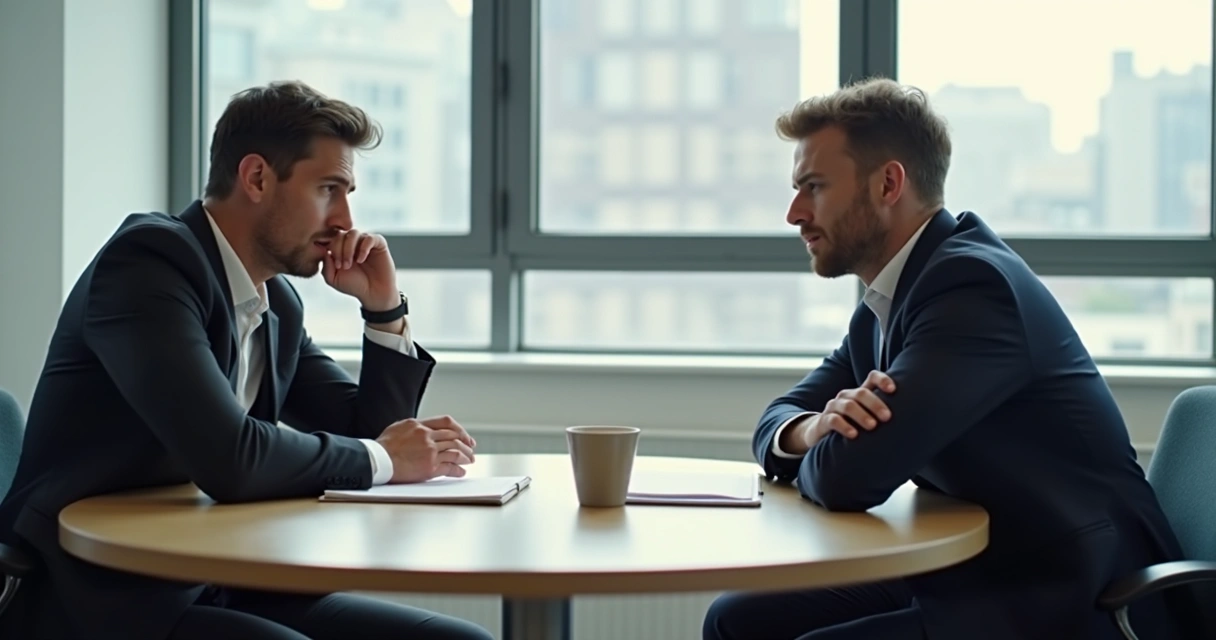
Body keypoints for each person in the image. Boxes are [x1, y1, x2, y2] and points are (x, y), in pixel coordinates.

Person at [701, 78, 1201, 640]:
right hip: (977, 571)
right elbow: (779, 420)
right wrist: (813, 428)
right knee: (737, 619)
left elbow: (849, 477)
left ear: (888, 183)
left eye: (813, 187)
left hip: (1072, 593)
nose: (794, 213)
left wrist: (827, 449)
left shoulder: (972, 288)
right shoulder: (887, 303)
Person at [0, 81, 494, 640]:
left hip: (213, 574)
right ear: (257, 177)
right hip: (98, 598)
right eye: (328, 189)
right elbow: (231, 458)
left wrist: (383, 310)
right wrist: (384, 457)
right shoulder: (147, 266)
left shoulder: (275, 302)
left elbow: (370, 434)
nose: (345, 219)